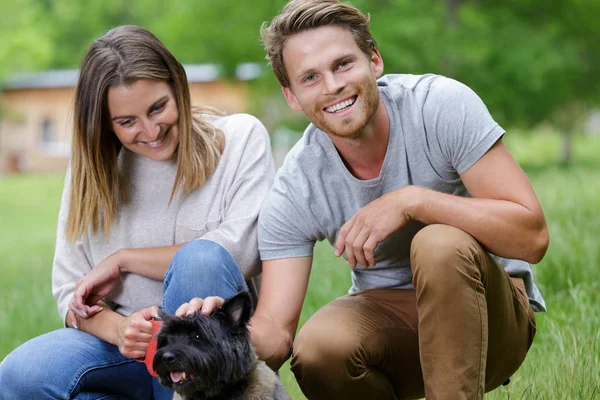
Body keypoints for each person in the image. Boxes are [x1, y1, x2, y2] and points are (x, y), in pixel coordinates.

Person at [250, 1, 548, 399]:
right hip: (395, 325)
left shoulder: (439, 105)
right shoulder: (297, 184)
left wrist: (414, 201)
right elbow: (276, 329)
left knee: (438, 243)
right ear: (291, 96)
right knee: (319, 349)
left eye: (343, 64)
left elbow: (532, 237)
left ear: (374, 60)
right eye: (310, 78)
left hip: (493, 320)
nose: (332, 86)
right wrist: (204, 334)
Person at [0, 25, 275, 400]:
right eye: (127, 122)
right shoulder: (92, 173)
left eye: (158, 107)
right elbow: (70, 290)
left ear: (178, 86)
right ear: (104, 122)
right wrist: (118, 330)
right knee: (19, 374)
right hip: (124, 351)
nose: (150, 130)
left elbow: (240, 250)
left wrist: (124, 260)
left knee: (201, 259)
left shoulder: (240, 138)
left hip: (203, 353)